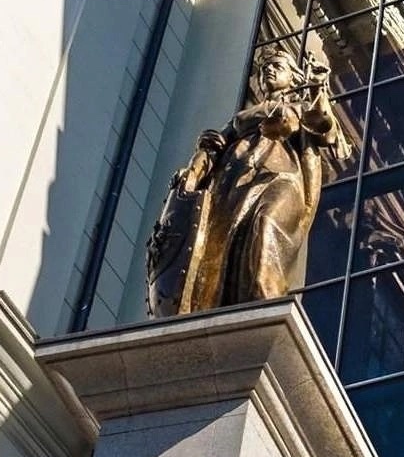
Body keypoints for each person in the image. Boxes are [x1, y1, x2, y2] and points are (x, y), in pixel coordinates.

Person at [147, 49, 346, 316]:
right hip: (235, 184)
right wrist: (193, 171)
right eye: (264, 69)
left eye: (277, 66)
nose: (269, 71)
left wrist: (318, 86)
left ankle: (263, 300)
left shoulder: (300, 108)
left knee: (266, 223)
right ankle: (230, 306)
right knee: (226, 244)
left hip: (281, 180)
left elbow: (324, 127)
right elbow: (213, 146)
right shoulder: (244, 116)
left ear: (293, 77)